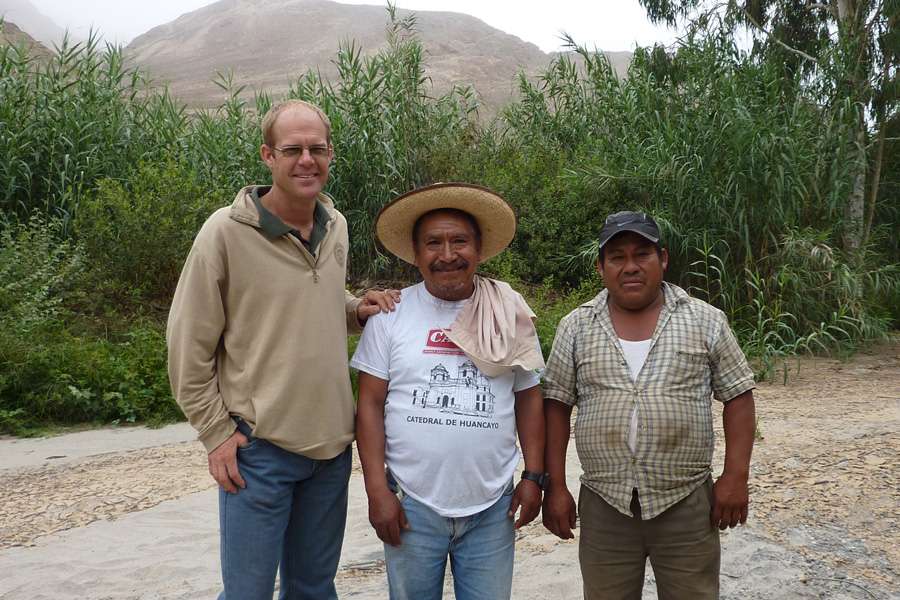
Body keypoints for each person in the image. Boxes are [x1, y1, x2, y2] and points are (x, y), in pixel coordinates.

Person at [166, 99, 399, 600]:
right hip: (259, 450)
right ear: (267, 156)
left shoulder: (334, 226)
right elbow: (187, 346)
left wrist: (356, 309)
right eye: (292, 149)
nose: (306, 160)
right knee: (248, 593)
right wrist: (216, 433)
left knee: (314, 589)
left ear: (331, 153)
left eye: (317, 148)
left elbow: (313, 294)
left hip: (332, 450)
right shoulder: (225, 233)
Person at [541, 211, 756, 599]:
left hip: (687, 500)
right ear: (601, 267)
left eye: (642, 254)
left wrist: (735, 476)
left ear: (664, 259)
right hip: (606, 504)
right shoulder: (576, 326)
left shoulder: (706, 320)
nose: (630, 267)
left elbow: (738, 396)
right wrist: (554, 486)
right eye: (617, 257)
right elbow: (556, 406)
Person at [351, 183, 547, 600]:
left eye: (459, 241)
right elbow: (369, 405)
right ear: (416, 252)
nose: (447, 255)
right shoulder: (391, 315)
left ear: (479, 249)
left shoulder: (508, 310)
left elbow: (529, 398)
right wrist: (376, 491)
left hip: (493, 506)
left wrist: (533, 476)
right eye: (433, 243)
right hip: (410, 504)